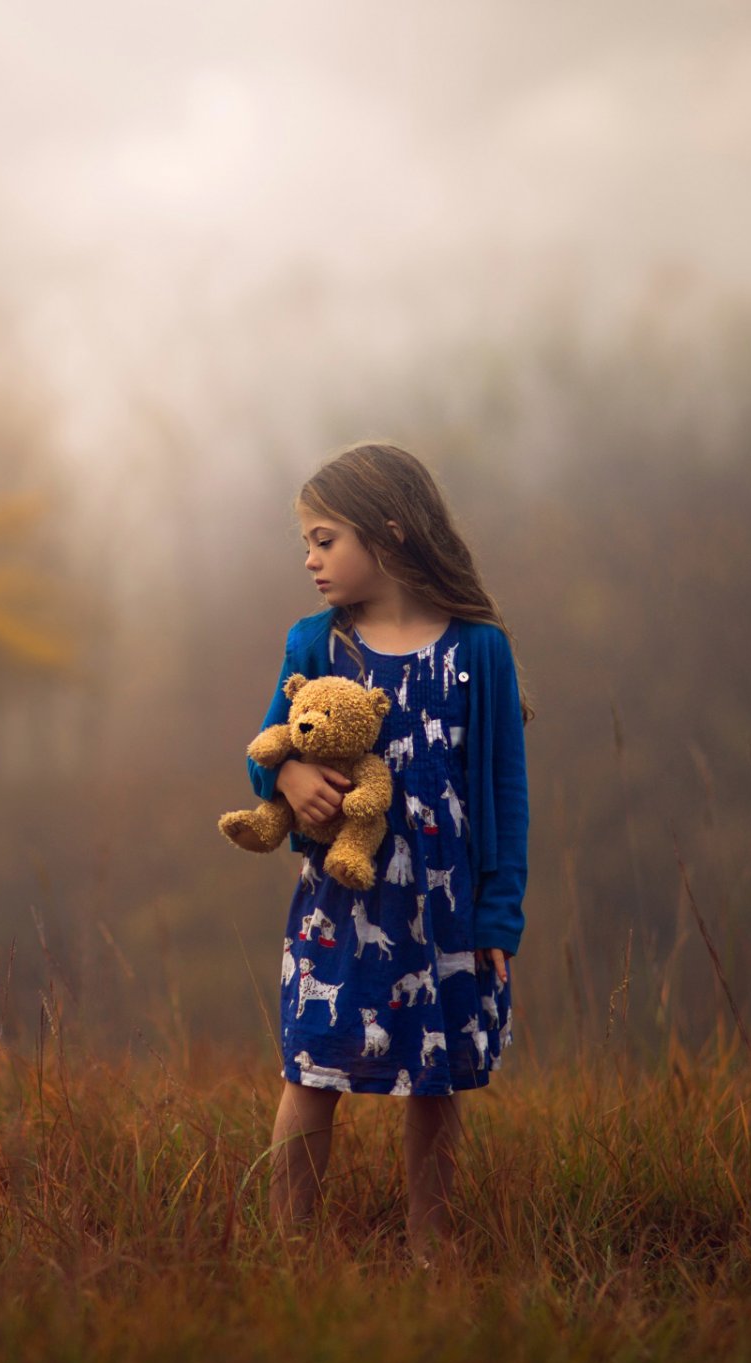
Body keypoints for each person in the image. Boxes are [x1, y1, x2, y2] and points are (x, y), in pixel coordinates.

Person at [246, 440, 533, 1267]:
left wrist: (498, 918)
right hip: (341, 909)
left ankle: (429, 1254)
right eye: (307, 542)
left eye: (324, 539)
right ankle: (284, 1252)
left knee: (436, 1084)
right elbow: (265, 749)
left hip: (446, 914)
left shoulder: (480, 652)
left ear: (391, 534)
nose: (309, 559)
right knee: (309, 1071)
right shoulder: (315, 646)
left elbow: (505, 797)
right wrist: (292, 776)